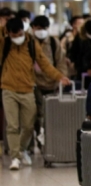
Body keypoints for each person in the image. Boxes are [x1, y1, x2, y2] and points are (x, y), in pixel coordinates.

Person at [1, 17, 70, 170]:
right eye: (12, 35)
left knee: (28, 125)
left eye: (18, 34)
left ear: (23, 31)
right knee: (12, 126)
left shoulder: (31, 44)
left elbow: (44, 63)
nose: (16, 38)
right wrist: (3, 29)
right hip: (8, 89)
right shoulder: (4, 43)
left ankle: (21, 149)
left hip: (28, 90)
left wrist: (59, 76)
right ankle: (15, 157)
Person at [31, 15, 69, 147]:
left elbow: (60, 62)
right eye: (38, 28)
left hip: (52, 84)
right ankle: (39, 139)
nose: (41, 30)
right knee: (37, 114)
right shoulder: (29, 42)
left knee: (50, 115)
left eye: (44, 28)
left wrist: (61, 79)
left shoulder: (53, 43)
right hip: (34, 84)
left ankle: (48, 140)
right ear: (33, 28)